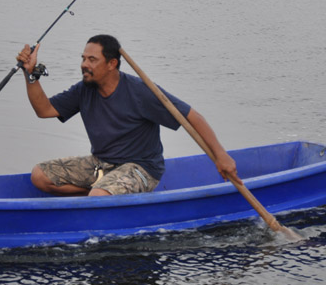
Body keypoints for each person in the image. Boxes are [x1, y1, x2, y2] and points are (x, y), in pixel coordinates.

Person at [16, 34, 239, 196]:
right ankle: (97, 195)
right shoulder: (85, 89)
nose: (84, 64)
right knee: (39, 176)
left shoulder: (141, 92)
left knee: (99, 197)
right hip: (102, 164)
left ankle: (100, 197)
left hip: (141, 168)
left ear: (112, 64)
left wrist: (221, 156)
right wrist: (31, 75)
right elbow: (44, 110)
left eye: (92, 60)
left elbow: (192, 117)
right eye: (83, 58)